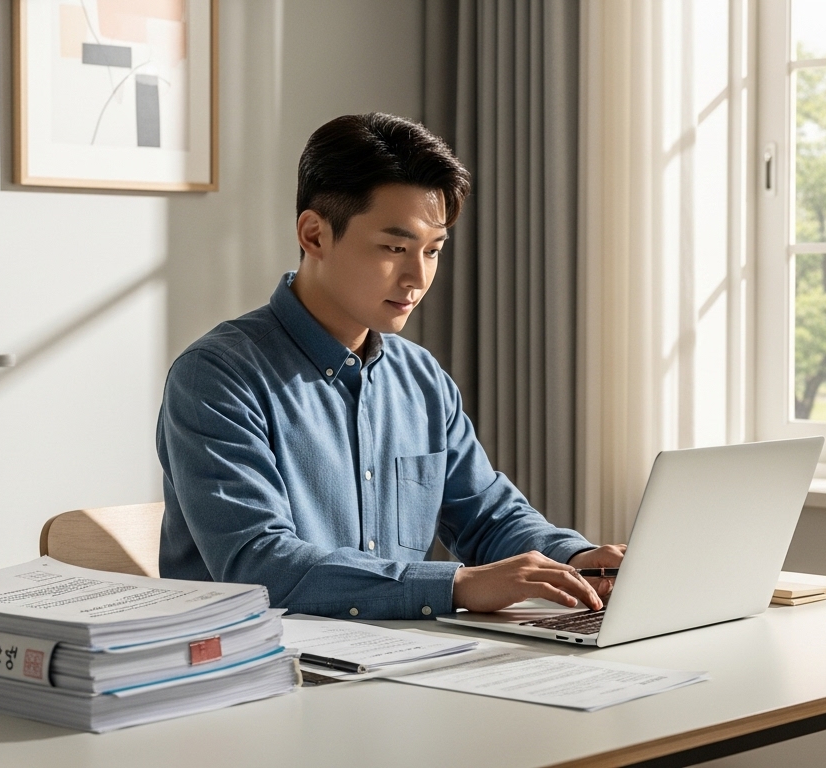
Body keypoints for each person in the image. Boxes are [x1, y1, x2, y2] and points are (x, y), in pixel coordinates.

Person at [156, 112, 624, 620]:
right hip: (257, 661)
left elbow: (487, 516)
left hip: (402, 655)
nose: (417, 277)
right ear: (314, 235)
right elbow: (260, 564)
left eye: (433, 250)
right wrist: (456, 585)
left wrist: (576, 560)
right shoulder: (216, 378)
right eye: (395, 248)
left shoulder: (420, 378)